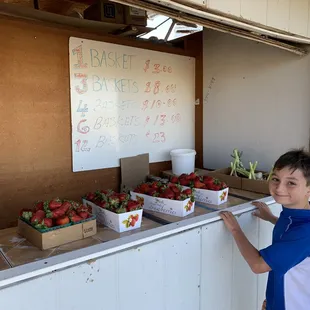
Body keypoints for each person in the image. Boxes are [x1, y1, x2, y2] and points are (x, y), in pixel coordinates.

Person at [220, 149, 310, 310]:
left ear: (309, 189)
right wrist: (271, 218)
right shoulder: (295, 215)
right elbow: (291, 237)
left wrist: (235, 229)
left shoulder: (305, 232)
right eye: (275, 179)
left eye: (291, 183)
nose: (279, 188)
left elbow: (258, 265)